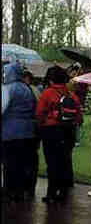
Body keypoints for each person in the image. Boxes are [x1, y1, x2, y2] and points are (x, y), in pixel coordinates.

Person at [36, 65, 83, 203]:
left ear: (51, 80)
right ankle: (63, 192)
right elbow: (79, 118)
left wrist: (42, 124)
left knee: (52, 163)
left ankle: (51, 193)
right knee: (64, 161)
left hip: (51, 131)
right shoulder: (71, 95)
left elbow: (39, 113)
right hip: (69, 131)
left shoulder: (48, 93)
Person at [1, 62, 37, 201]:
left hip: (9, 132)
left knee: (9, 164)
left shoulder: (7, 89)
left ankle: (9, 191)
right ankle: (21, 191)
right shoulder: (27, 88)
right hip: (28, 132)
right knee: (22, 163)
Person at [22, 70, 41, 198]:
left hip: (25, 130)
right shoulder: (36, 91)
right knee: (32, 158)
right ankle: (30, 187)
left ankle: (24, 186)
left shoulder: (22, 91)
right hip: (35, 129)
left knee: (24, 159)